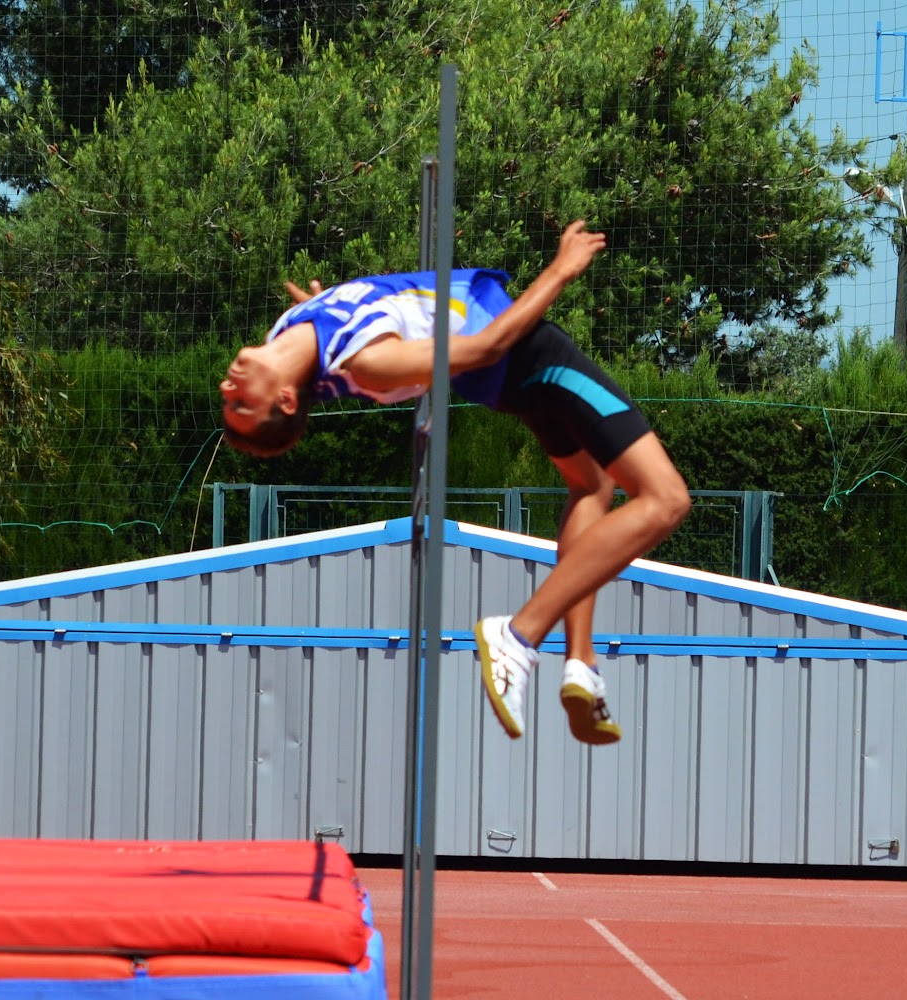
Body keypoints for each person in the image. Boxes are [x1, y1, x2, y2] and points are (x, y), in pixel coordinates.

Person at [220, 221, 692, 746]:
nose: (228, 387)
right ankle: (518, 635)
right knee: (666, 499)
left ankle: (581, 664)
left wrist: (317, 311)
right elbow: (488, 346)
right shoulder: (370, 360)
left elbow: (333, 344)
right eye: (243, 404)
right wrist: (561, 270)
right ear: (284, 399)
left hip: (516, 376)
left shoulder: (292, 335)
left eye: (229, 401)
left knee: (591, 485)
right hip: (530, 360)